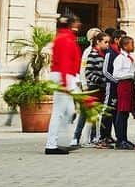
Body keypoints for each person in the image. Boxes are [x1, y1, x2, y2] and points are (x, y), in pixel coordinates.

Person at [44, 15, 82, 155]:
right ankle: (51, 144)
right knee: (59, 112)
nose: (78, 24)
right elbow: (66, 61)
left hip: (63, 75)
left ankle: (64, 140)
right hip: (64, 76)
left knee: (69, 111)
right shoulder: (66, 39)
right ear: (71, 25)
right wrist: (66, 83)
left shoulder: (62, 37)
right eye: (76, 22)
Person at [71, 27, 102, 147]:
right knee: (85, 112)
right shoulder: (88, 51)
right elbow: (83, 69)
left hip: (97, 86)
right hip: (89, 86)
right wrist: (84, 85)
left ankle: (94, 136)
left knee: (95, 112)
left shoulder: (100, 51)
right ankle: (76, 136)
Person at [112, 35, 135, 150]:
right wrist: (131, 75)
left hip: (130, 85)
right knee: (121, 112)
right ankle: (120, 139)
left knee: (126, 113)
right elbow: (116, 74)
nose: (134, 46)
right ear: (125, 45)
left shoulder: (129, 58)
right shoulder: (120, 58)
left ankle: (125, 138)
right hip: (124, 85)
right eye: (132, 44)